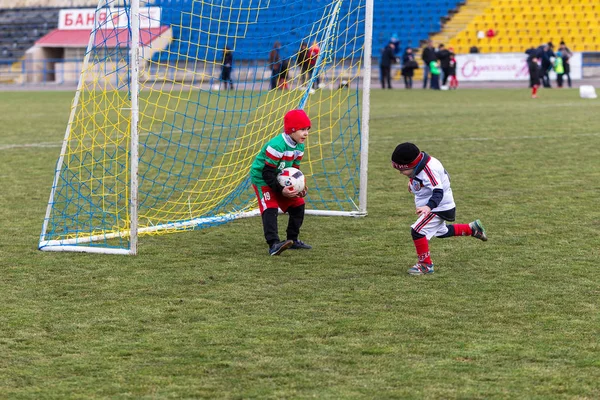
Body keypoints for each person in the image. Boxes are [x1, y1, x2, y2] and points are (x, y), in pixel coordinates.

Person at [390, 142, 488, 275]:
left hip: (439, 206)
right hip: (437, 205)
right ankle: (472, 229)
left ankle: (425, 265)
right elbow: (420, 177)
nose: (401, 173)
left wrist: (428, 207)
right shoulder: (420, 165)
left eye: (402, 170)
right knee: (441, 232)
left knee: (417, 231)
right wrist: (412, 180)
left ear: (413, 165)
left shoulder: (429, 170)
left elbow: (438, 191)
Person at [250, 109, 312, 256]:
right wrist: (280, 189)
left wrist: (299, 187)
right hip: (263, 179)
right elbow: (267, 172)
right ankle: (273, 244)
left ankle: (293, 239)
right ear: (291, 130)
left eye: (307, 129)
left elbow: (294, 171)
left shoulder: (300, 146)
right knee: (270, 207)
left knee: (298, 204)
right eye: (302, 129)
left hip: (279, 179)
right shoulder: (277, 145)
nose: (306, 133)